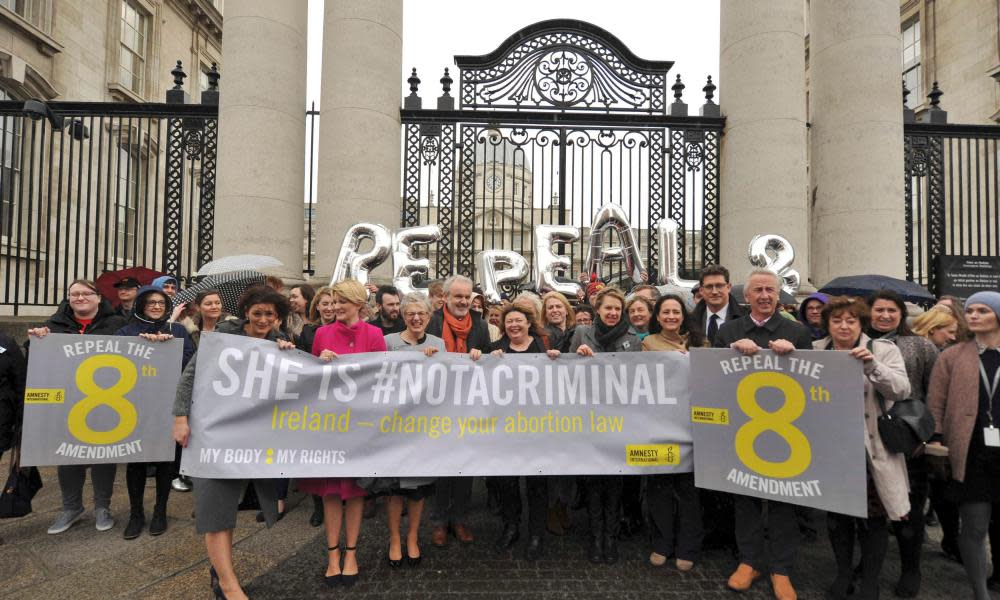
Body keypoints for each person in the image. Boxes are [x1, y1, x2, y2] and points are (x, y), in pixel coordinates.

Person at [173, 286, 295, 600]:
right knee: (217, 509)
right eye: (258, 313)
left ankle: (221, 572)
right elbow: (191, 376)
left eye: (270, 314)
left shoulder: (278, 343)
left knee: (232, 506)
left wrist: (287, 353)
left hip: (251, 439)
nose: (264, 319)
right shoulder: (222, 337)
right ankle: (227, 585)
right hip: (213, 433)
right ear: (246, 314)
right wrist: (180, 417)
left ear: (277, 315)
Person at [714, 268, 812, 600]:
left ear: (779, 293)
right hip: (743, 429)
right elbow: (714, 380)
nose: (765, 295)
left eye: (771, 289)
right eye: (758, 290)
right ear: (746, 296)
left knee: (784, 502)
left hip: (787, 432)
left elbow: (815, 383)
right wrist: (729, 351)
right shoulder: (728, 331)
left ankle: (781, 569)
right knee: (746, 500)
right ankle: (750, 562)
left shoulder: (797, 332)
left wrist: (796, 355)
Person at [817, 296, 911, 600]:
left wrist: (872, 366)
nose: (844, 326)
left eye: (851, 320)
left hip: (871, 448)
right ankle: (843, 572)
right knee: (838, 516)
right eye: (836, 320)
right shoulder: (817, 350)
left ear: (861, 324)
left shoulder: (884, 350)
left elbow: (901, 389)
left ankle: (870, 579)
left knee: (873, 518)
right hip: (832, 448)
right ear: (827, 324)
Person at [296, 279, 385, 587]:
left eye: (341, 302)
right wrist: (320, 364)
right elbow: (312, 379)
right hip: (330, 425)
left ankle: (351, 553)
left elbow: (379, 379)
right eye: (333, 301)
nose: (334, 307)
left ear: (358, 304)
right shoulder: (321, 333)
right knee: (331, 492)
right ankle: (332, 554)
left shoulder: (374, 335)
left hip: (359, 426)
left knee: (356, 492)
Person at [27, 279, 128, 535]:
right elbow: (36, 358)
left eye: (85, 293)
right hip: (68, 402)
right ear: (68, 299)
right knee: (67, 454)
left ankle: (103, 507)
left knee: (104, 454)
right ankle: (71, 507)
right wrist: (36, 341)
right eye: (74, 294)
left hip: (106, 400)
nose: (79, 298)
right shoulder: (53, 325)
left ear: (98, 298)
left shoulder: (117, 325)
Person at [865, 290, 940, 596]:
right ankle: (869, 564)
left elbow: (934, 391)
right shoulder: (860, 343)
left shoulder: (920, 345)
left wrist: (929, 434)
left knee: (908, 507)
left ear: (901, 314)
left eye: (891, 310)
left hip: (908, 435)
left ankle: (911, 568)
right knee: (872, 507)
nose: (884, 315)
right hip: (871, 434)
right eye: (879, 310)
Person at [927, 291, 1000, 600]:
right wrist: (937, 435)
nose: (973, 315)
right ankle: (980, 592)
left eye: (983, 310)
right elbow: (936, 401)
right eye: (970, 310)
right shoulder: (953, 355)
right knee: (974, 525)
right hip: (971, 452)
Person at [472, 303, 559, 559]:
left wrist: (558, 358)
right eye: (509, 322)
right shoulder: (495, 349)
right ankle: (511, 527)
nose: (514, 325)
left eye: (518, 321)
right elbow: (479, 379)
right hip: (505, 428)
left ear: (528, 322)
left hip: (537, 428)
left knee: (537, 484)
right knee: (507, 482)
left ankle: (536, 534)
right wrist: (480, 357)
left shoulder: (544, 347)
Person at [113, 286, 195, 539]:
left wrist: (167, 347)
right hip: (135, 405)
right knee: (135, 461)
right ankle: (136, 513)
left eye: (161, 302)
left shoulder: (178, 330)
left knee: (164, 461)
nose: (157, 306)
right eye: (151, 302)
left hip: (167, 405)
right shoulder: (126, 332)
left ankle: (160, 509)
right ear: (140, 305)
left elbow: (191, 363)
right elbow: (115, 362)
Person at [569, 286, 641, 564]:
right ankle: (596, 536)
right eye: (607, 308)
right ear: (597, 309)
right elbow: (565, 372)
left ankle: (610, 536)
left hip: (620, 419)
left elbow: (639, 379)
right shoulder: (581, 333)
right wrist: (578, 358)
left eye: (617, 309)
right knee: (593, 480)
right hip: (589, 417)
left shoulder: (633, 339)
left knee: (615, 480)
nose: (612, 313)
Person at [425, 274, 491, 546]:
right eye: (458, 297)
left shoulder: (481, 325)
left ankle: (461, 518)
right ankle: (440, 520)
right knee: (441, 465)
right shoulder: (432, 322)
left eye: (467, 297)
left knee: (466, 462)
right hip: (438, 404)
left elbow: (489, 361)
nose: (463, 301)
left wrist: (484, 357)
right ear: (446, 298)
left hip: (468, 404)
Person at [643, 294, 706, 571]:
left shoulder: (700, 343)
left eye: (675, 312)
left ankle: (688, 547)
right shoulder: (647, 344)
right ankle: (662, 543)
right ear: (657, 317)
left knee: (689, 492)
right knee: (659, 489)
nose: (670, 316)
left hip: (691, 426)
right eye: (665, 312)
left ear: (683, 316)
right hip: (658, 425)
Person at [381, 293, 444, 567]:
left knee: (418, 487)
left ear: (429, 317)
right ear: (403, 316)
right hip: (396, 426)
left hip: (423, 427)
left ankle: (413, 537)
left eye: (422, 314)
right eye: (410, 314)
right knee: (395, 488)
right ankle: (395, 538)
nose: (416, 318)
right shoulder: (388, 343)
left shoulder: (439, 343)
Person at [294, 286, 338, 527]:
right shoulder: (309, 331)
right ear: (317, 307)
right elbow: (303, 361)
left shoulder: (344, 329)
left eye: (333, 303)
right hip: (316, 398)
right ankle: (318, 505)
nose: (329, 308)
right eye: (325, 304)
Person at [691, 264, 744, 346]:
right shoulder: (690, 321)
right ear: (701, 290)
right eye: (709, 287)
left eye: (719, 286)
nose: (714, 292)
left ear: (729, 287)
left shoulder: (746, 318)